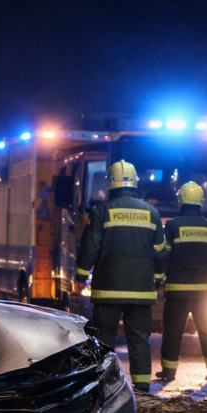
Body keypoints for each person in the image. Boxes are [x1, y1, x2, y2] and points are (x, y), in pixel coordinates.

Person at [76, 160, 167, 393]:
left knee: (104, 339)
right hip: (141, 291)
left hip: (108, 290)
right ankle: (142, 387)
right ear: (135, 183)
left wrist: (81, 276)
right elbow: (161, 252)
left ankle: (106, 385)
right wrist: (156, 279)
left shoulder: (101, 211)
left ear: (109, 184)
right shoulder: (152, 212)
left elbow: (90, 246)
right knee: (139, 339)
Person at [155, 182, 207, 383]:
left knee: (173, 331)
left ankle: (168, 372)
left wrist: (158, 279)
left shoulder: (172, 226)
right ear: (200, 202)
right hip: (205, 293)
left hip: (178, 292)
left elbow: (164, 256)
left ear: (182, 201)